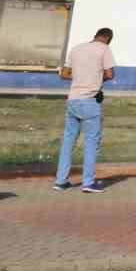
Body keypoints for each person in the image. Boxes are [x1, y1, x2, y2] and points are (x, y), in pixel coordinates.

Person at [54, 27, 116, 192]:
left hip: (73, 100)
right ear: (108, 39)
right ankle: (88, 183)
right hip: (90, 101)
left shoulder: (76, 49)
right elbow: (110, 74)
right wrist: (95, 76)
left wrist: (81, 75)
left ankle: (61, 181)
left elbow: (64, 74)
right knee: (91, 142)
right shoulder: (104, 49)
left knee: (68, 141)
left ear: (94, 35)